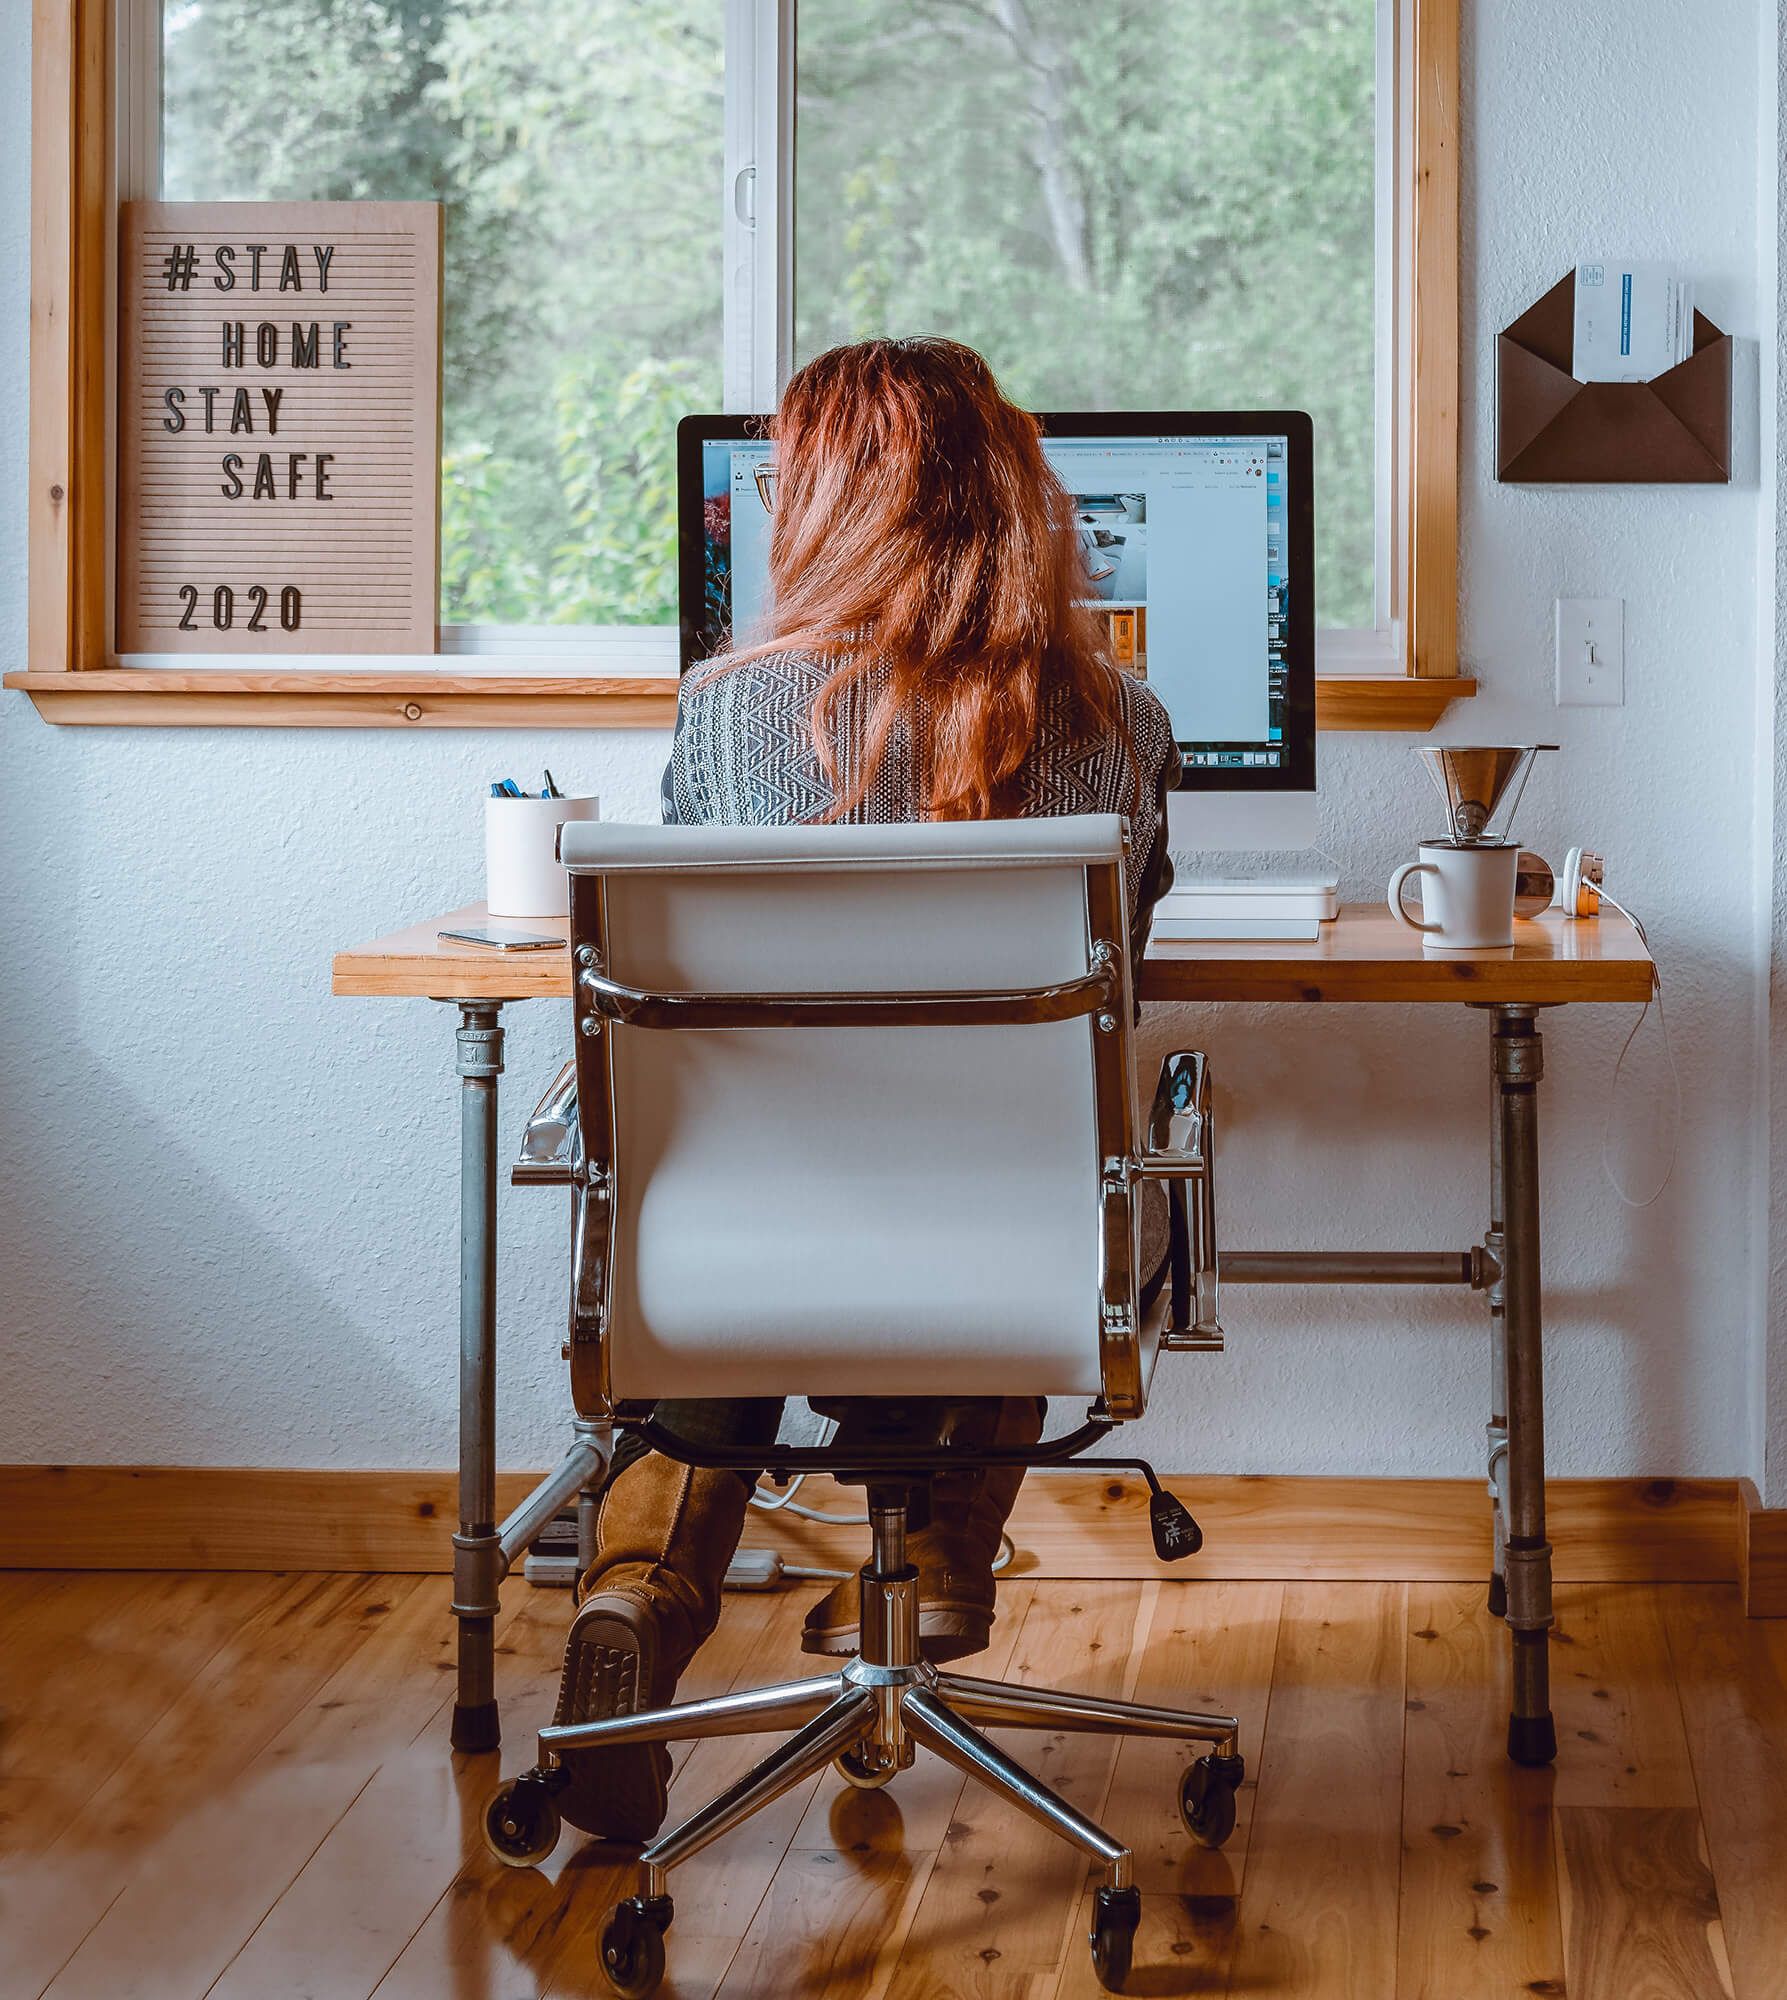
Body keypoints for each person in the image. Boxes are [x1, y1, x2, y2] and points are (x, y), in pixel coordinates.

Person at [552, 336, 1181, 1842]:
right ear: (1020, 500)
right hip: (1014, 1261)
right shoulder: (1127, 727)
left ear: (819, 506)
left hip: (751, 1250)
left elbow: (693, 1010)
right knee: (1043, 1161)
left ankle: (640, 1593)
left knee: (712, 1166)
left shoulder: (720, 711)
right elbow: (1116, 997)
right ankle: (951, 1551)